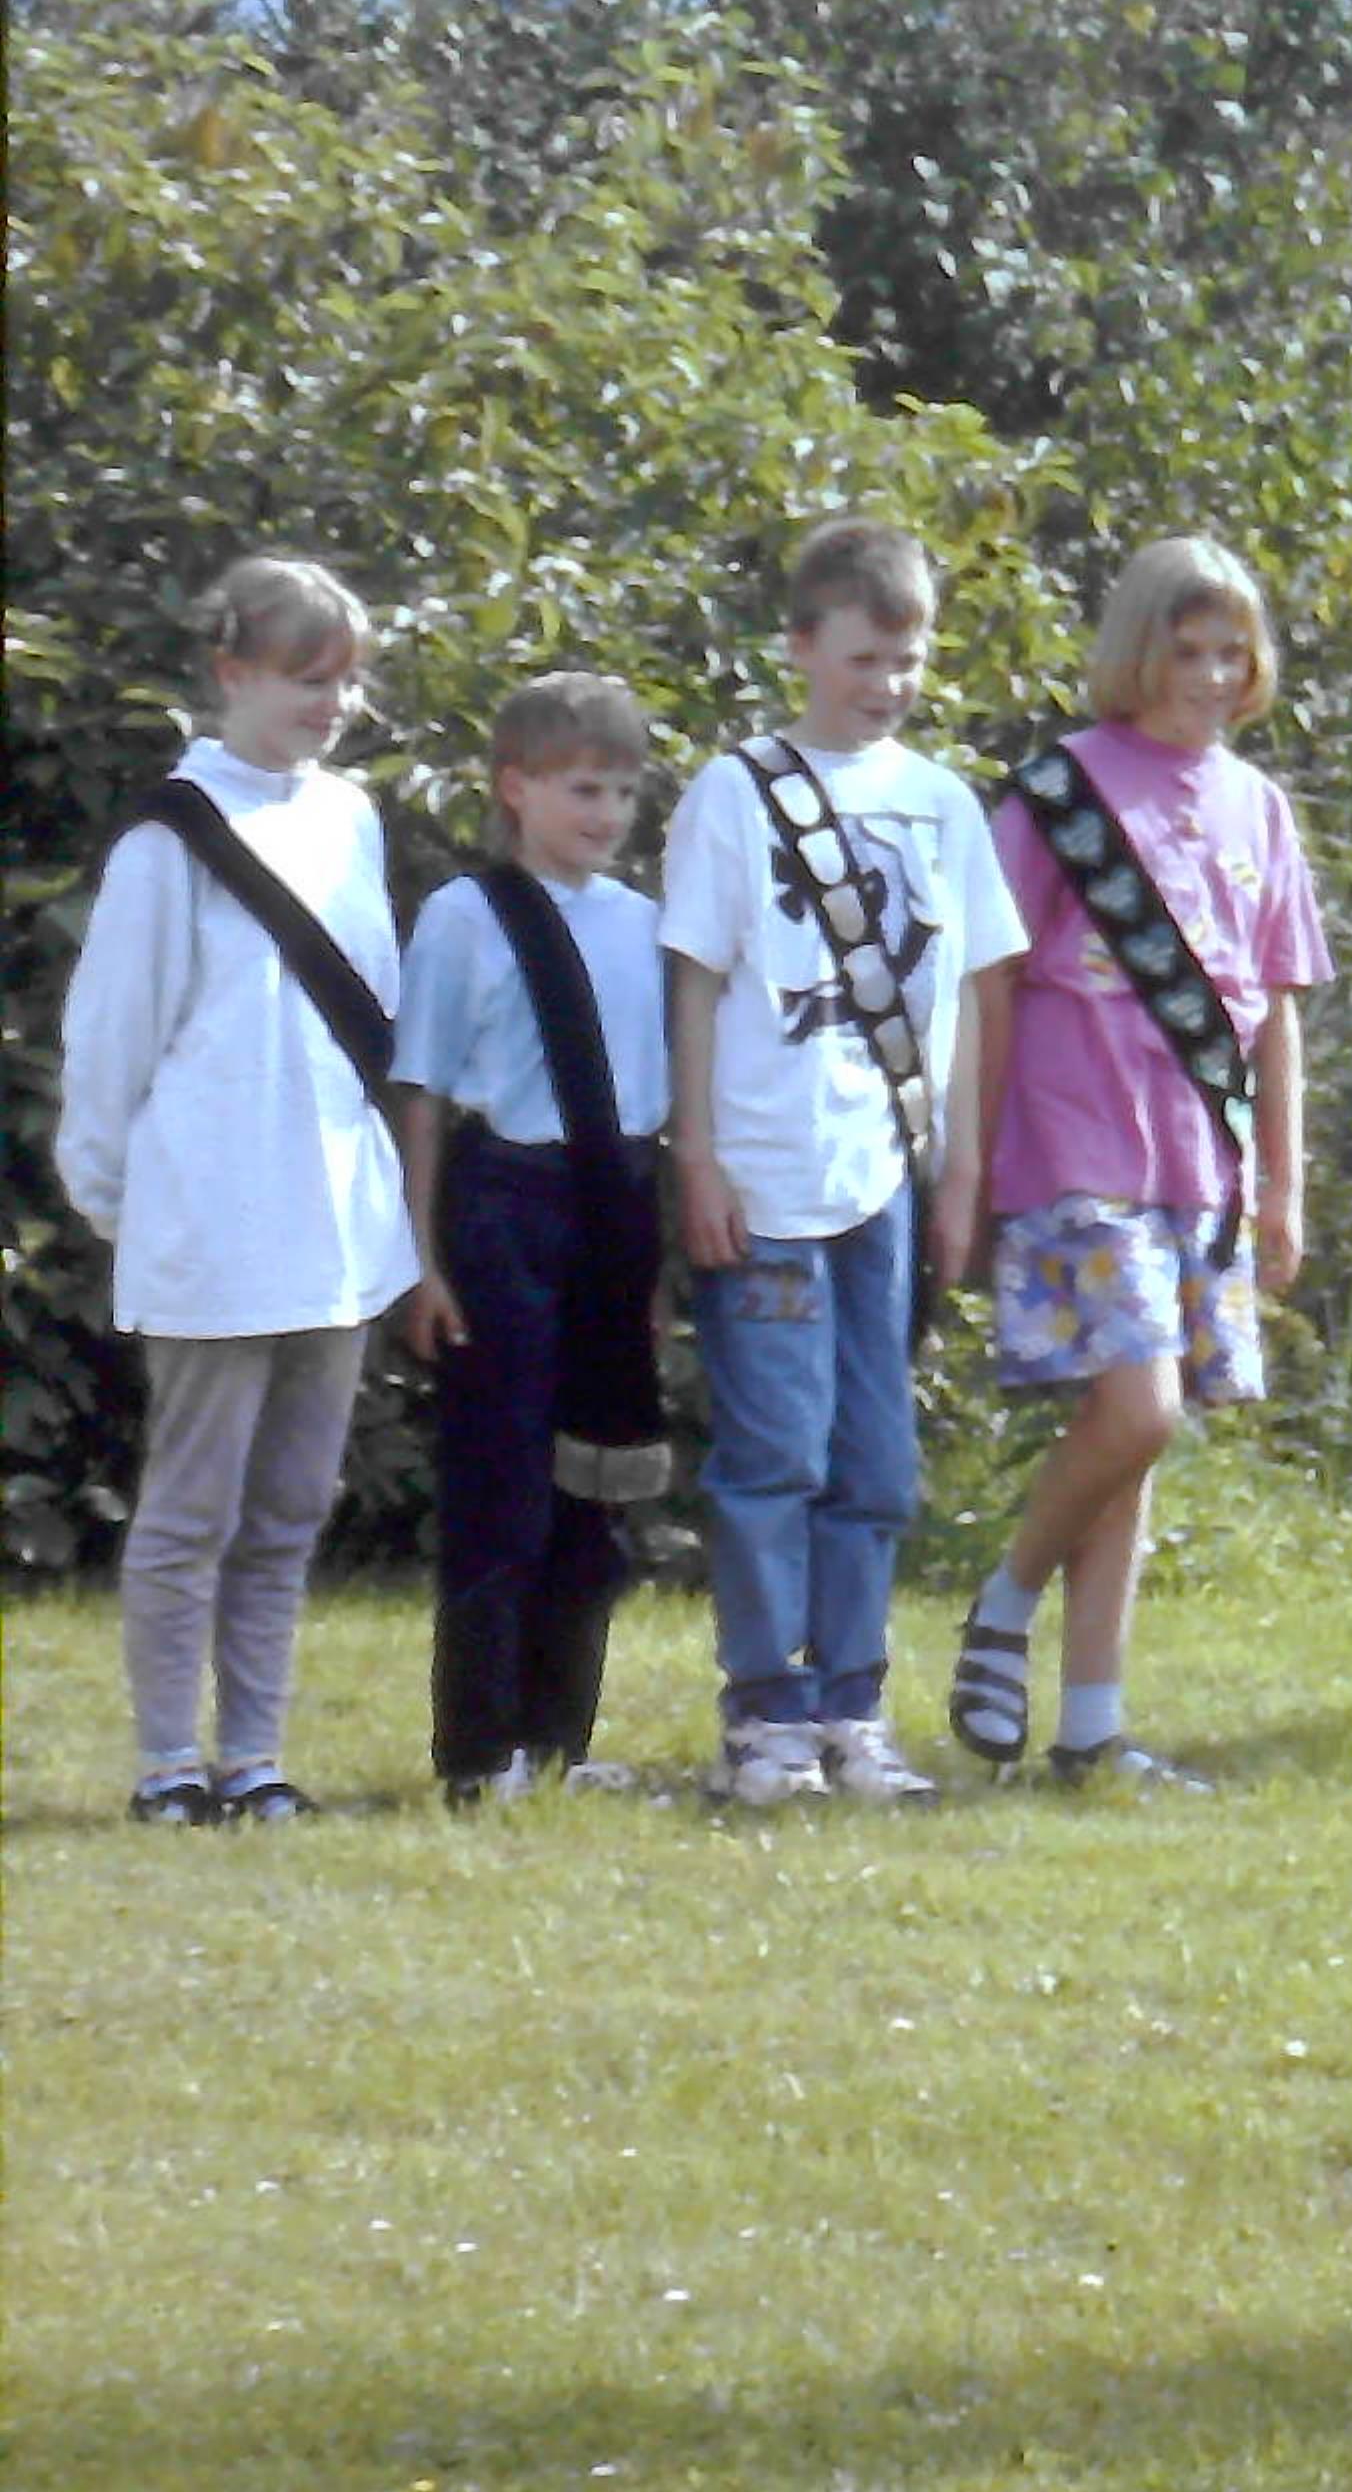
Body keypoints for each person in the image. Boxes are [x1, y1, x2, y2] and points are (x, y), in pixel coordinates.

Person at [942, 538, 1330, 1793]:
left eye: (1233, 653)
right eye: (1188, 650)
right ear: (1137, 651)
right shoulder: (1058, 795)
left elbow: (1276, 1013)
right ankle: (1006, 1601)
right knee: (1139, 1408)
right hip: (1075, 1144)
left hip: (1200, 1165)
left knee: (1135, 1442)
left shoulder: (1258, 806)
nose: (1212, 676)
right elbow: (989, 989)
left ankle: (1092, 1732)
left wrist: (1283, 1182)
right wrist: (973, 1165)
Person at [661, 514, 1025, 1809]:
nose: (888, 684)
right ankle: (767, 1718)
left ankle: (853, 1711)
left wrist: (963, 1175)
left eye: (909, 660)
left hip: (888, 1181)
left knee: (876, 1462)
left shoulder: (943, 804)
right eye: (866, 658)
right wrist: (697, 1157)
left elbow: (979, 993)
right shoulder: (734, 791)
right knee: (774, 1455)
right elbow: (694, 981)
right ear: (803, 647)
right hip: (762, 1175)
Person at [58, 554, 416, 1826]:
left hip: (334, 1229)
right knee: (189, 1512)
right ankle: (169, 1762)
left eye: (348, 682)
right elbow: (112, 1043)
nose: (333, 705)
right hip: (211, 1227)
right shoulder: (168, 841)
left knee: (290, 1512)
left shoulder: (351, 817)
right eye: (308, 678)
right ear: (231, 672)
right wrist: (122, 1202)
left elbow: (375, 1019)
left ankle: (254, 1756)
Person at [390, 671, 673, 1803]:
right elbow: (422, 1094)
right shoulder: (469, 915)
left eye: (622, 792)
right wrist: (425, 1259)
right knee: (499, 1482)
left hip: (615, 1206)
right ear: (515, 788)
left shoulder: (644, 925)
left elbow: (654, 1097)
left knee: (593, 1487)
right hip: (504, 1205)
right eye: (582, 789)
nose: (607, 814)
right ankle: (478, 1751)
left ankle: (562, 1740)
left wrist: (651, 1264)